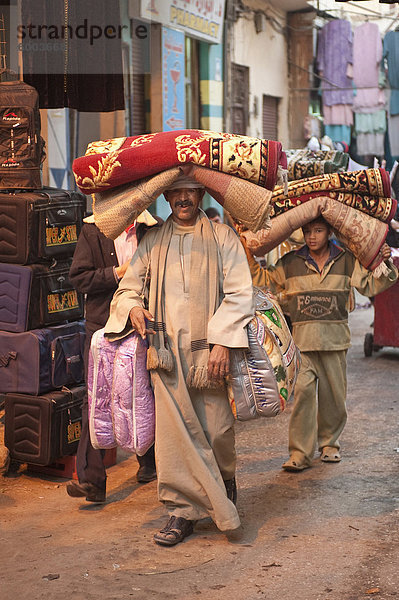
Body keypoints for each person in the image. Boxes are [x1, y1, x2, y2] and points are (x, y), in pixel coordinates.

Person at [104, 175, 254, 546]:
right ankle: (181, 510)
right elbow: (127, 289)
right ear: (166, 195)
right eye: (176, 191)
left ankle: (225, 481)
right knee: (173, 439)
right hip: (166, 357)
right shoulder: (152, 241)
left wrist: (222, 342)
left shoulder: (223, 238)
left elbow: (240, 294)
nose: (183, 197)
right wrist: (134, 308)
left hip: (210, 358)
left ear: (201, 193)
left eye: (190, 190)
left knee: (217, 432)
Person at [241, 217, 398, 472]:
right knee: (302, 397)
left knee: (334, 398)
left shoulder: (345, 260)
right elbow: (263, 280)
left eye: (318, 230)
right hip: (303, 343)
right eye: (307, 231)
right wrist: (246, 251)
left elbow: (370, 283)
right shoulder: (291, 262)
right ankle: (300, 453)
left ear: (329, 232)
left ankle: (329, 444)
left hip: (335, 341)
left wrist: (385, 262)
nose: (312, 236)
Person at [66, 210, 161, 503]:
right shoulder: (92, 230)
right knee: (96, 398)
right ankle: (92, 481)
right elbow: (79, 278)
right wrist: (117, 273)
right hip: (102, 325)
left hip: (143, 323)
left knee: (146, 393)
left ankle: (149, 463)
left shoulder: (152, 229)